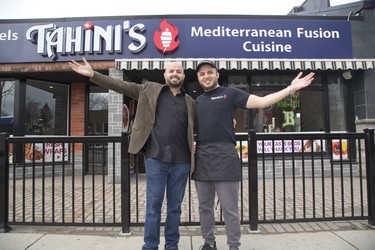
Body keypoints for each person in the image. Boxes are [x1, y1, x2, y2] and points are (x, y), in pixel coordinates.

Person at [69, 58, 195, 250]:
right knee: (153, 207)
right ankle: (150, 246)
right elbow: (120, 85)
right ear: (165, 74)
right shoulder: (149, 89)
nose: (175, 74)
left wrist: (229, 122)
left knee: (175, 208)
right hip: (156, 159)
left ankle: (172, 245)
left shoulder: (190, 102)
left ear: (184, 75)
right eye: (171, 71)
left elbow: (204, 124)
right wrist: (93, 74)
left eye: (178, 71)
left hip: (181, 162)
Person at [192, 60, 314, 250]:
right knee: (204, 207)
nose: (206, 76)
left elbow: (262, 102)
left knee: (230, 209)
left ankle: (234, 246)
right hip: (202, 158)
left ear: (217, 74)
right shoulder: (197, 101)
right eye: (202, 74)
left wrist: (290, 88)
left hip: (225, 157)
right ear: (198, 78)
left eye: (209, 72)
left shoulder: (230, 94)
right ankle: (208, 243)